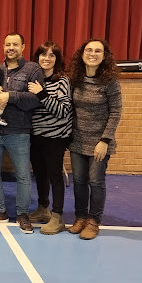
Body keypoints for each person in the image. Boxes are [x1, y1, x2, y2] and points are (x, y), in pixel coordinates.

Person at [0, 33, 44, 233]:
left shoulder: (33, 69)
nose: (11, 48)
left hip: (18, 132)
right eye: (7, 44)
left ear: (23, 46)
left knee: (23, 176)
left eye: (15, 44)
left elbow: (36, 100)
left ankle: (23, 214)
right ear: (3, 47)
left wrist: (10, 96)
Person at [67, 39, 122, 240]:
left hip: (99, 142)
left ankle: (93, 221)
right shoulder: (75, 78)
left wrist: (105, 141)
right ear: (82, 54)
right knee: (79, 181)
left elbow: (115, 112)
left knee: (96, 182)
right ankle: (81, 217)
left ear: (104, 55)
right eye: (89, 50)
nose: (92, 54)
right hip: (77, 140)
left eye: (98, 51)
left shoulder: (110, 81)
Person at [27, 41, 73, 234]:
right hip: (36, 135)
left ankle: (57, 216)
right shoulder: (33, 80)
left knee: (54, 175)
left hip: (56, 137)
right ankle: (43, 208)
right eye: (43, 54)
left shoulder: (62, 81)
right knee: (39, 174)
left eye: (51, 55)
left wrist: (42, 94)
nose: (46, 58)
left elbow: (62, 111)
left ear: (57, 59)